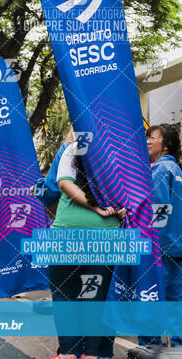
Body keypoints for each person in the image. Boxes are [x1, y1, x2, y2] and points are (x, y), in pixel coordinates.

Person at [50, 143, 126, 359]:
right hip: (107, 236)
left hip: (68, 232)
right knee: (97, 296)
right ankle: (92, 354)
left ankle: (68, 353)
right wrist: (119, 209)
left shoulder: (72, 147)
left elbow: (64, 183)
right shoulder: (123, 149)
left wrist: (96, 207)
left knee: (65, 294)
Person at [137, 124, 182, 347]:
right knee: (175, 302)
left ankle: (149, 348)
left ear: (167, 147)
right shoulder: (178, 171)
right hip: (176, 247)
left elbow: (159, 211)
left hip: (160, 248)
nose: (146, 142)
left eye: (152, 139)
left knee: (149, 299)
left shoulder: (160, 171)